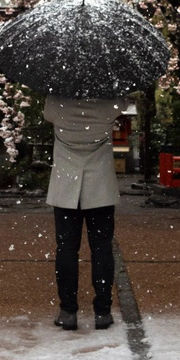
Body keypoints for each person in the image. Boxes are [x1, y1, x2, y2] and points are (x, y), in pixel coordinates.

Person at [43, 94, 126, 332]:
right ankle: (103, 311)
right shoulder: (108, 104)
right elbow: (123, 104)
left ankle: (68, 310)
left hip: (65, 186)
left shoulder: (56, 103)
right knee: (101, 248)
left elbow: (47, 114)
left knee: (67, 249)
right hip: (100, 186)